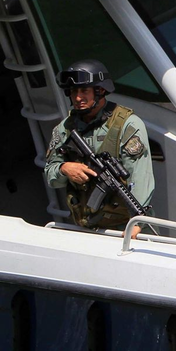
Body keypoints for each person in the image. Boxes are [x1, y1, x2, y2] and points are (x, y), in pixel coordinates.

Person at [44, 60, 154, 236]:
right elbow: (51, 176)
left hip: (126, 225)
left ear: (100, 90)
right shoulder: (64, 129)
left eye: (84, 91)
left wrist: (137, 223)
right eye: (73, 91)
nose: (78, 98)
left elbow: (141, 177)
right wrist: (64, 168)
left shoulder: (128, 125)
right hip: (85, 227)